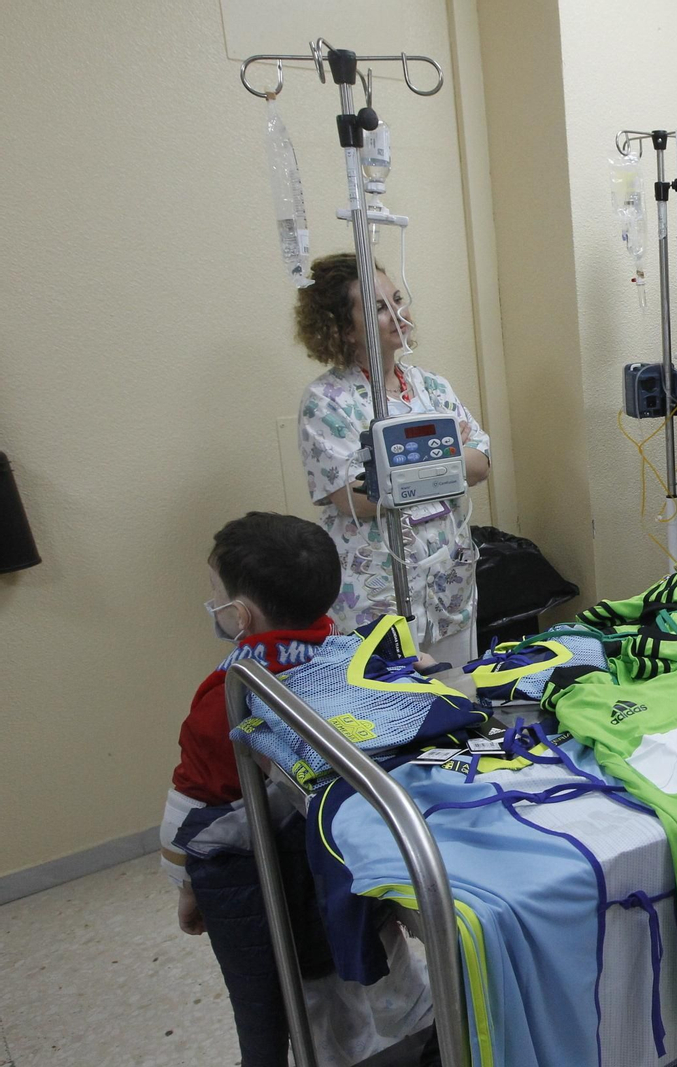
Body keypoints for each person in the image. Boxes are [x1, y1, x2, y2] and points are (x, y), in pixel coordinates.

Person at [161, 512, 434, 1067]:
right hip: (360, 872)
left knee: (322, 1013)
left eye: (217, 594)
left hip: (286, 896)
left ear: (240, 613)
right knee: (386, 981)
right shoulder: (351, 661)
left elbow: (197, 815)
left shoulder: (227, 700)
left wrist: (188, 886)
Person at [296, 254, 489, 665]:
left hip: (448, 584)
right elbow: (359, 500)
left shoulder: (431, 387)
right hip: (376, 594)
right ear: (345, 329)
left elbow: (481, 463)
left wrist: (403, 475)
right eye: (380, 307)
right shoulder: (328, 402)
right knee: (397, 712)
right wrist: (446, 460)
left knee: (460, 702)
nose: (399, 312)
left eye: (397, 298)